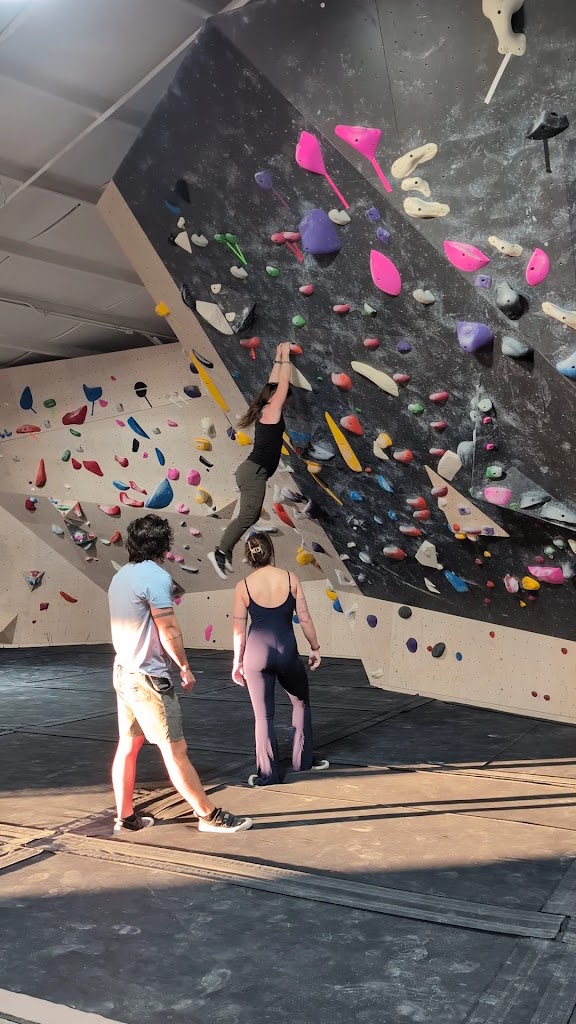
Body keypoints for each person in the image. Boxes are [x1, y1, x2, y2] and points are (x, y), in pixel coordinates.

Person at [108, 514, 252, 834]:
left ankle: (125, 815)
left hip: (124, 673)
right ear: (163, 544)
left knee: (127, 746)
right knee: (176, 750)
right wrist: (184, 668)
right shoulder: (155, 576)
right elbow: (168, 628)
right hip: (147, 679)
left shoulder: (121, 577)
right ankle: (208, 816)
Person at [231, 532, 329, 786]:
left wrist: (236, 662)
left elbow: (239, 630)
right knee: (300, 704)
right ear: (271, 552)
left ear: (248, 558)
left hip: (256, 653)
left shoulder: (242, 586)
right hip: (286, 650)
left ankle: (267, 774)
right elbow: (305, 618)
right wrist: (315, 647)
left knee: (263, 717)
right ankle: (302, 762)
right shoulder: (290, 578)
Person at [208, 342, 293, 580]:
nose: (286, 402)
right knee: (249, 516)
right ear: (276, 399)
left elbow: (274, 384)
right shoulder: (272, 408)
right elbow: (282, 385)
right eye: (284, 399)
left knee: (250, 515)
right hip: (254, 471)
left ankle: (225, 550)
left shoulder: (265, 407)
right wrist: (285, 354)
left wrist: (277, 355)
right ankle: (220, 552)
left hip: (251, 470)